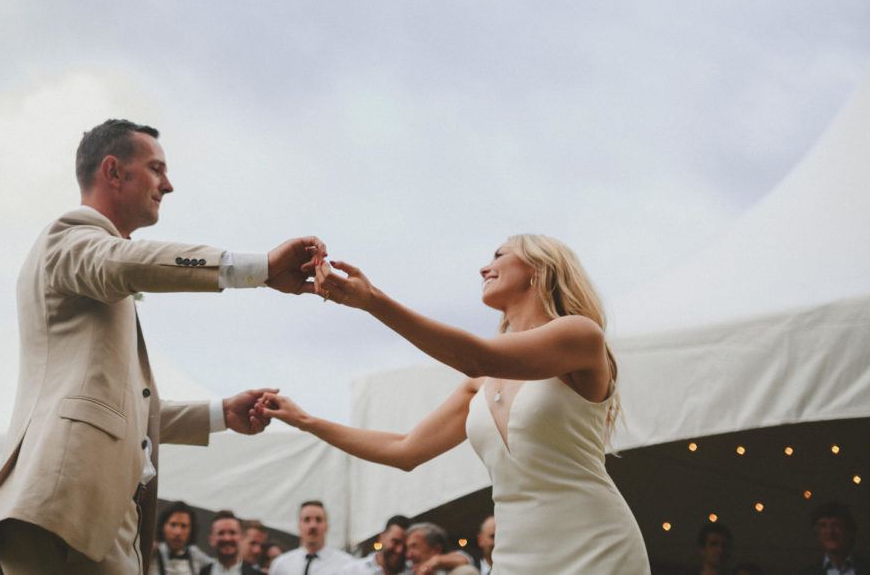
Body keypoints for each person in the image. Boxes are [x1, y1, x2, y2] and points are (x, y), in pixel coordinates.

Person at [0, 119, 324, 574]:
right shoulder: (68, 235)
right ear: (113, 172)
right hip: (67, 508)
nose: (168, 185)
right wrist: (256, 268)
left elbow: (124, 413)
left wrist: (220, 414)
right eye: (156, 169)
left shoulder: (94, 262)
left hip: (88, 515)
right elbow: (121, 262)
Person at [262, 235, 648, 574]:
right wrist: (306, 420)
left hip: (598, 547)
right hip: (515, 557)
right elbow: (404, 450)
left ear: (540, 268)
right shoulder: (479, 383)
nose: (484, 267)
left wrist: (372, 301)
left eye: (499, 255)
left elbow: (476, 355)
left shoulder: (580, 336)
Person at [798, 501, 870, 575]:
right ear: (817, 534)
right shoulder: (808, 573)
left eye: (836, 524)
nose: (830, 532)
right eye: (823, 526)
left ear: (849, 531)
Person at [267, 502, 349, 575]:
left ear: (326, 526)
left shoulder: (346, 565)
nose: (313, 525)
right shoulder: (281, 565)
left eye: (318, 519)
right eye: (307, 520)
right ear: (299, 526)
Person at [339, 517, 407, 575]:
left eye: (405, 546)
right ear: (381, 538)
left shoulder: (411, 571)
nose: (399, 550)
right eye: (396, 542)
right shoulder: (353, 572)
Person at [155, 502, 210, 575]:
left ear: (191, 529)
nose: (178, 532)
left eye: (183, 526)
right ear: (163, 526)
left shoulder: (195, 555)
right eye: (173, 524)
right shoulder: (152, 554)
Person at [199, 511, 260, 575]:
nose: (227, 538)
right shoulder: (200, 572)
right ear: (211, 539)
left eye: (232, 532)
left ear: (241, 537)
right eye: (221, 533)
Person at [402, 523, 474, 575]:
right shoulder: (407, 569)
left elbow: (465, 558)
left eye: (414, 547)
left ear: (437, 549)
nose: (408, 555)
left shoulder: (461, 572)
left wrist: (436, 561)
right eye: (408, 548)